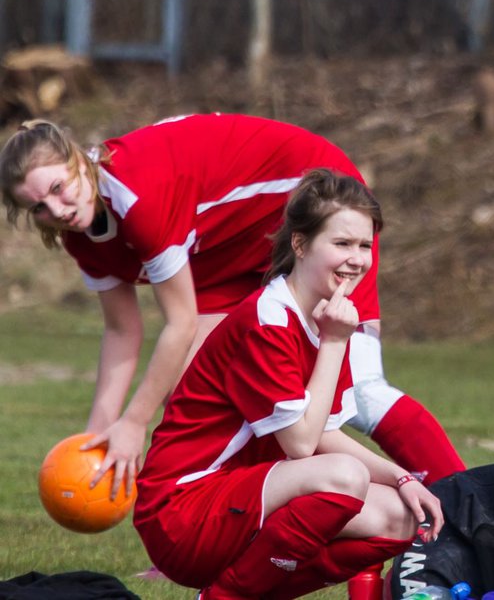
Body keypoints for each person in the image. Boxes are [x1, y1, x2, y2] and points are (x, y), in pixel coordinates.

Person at [0, 114, 463, 499]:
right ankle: (217, 521)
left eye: (59, 187)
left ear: (80, 161)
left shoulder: (137, 200)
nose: (56, 209)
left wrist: (135, 421)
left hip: (312, 203)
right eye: (37, 206)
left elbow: (179, 324)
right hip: (232, 246)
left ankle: (472, 506)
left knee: (358, 391)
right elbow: (123, 331)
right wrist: (98, 441)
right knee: (197, 383)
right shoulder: (83, 237)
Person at [132, 169, 444, 598]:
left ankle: (251, 589)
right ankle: (228, 596)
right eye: (342, 243)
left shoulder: (329, 318)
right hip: (183, 510)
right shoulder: (269, 320)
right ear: (299, 243)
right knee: (344, 478)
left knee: (403, 516)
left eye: (365, 246)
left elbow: (324, 434)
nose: (357, 259)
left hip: (246, 497)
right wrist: (335, 341)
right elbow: (301, 444)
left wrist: (403, 478)